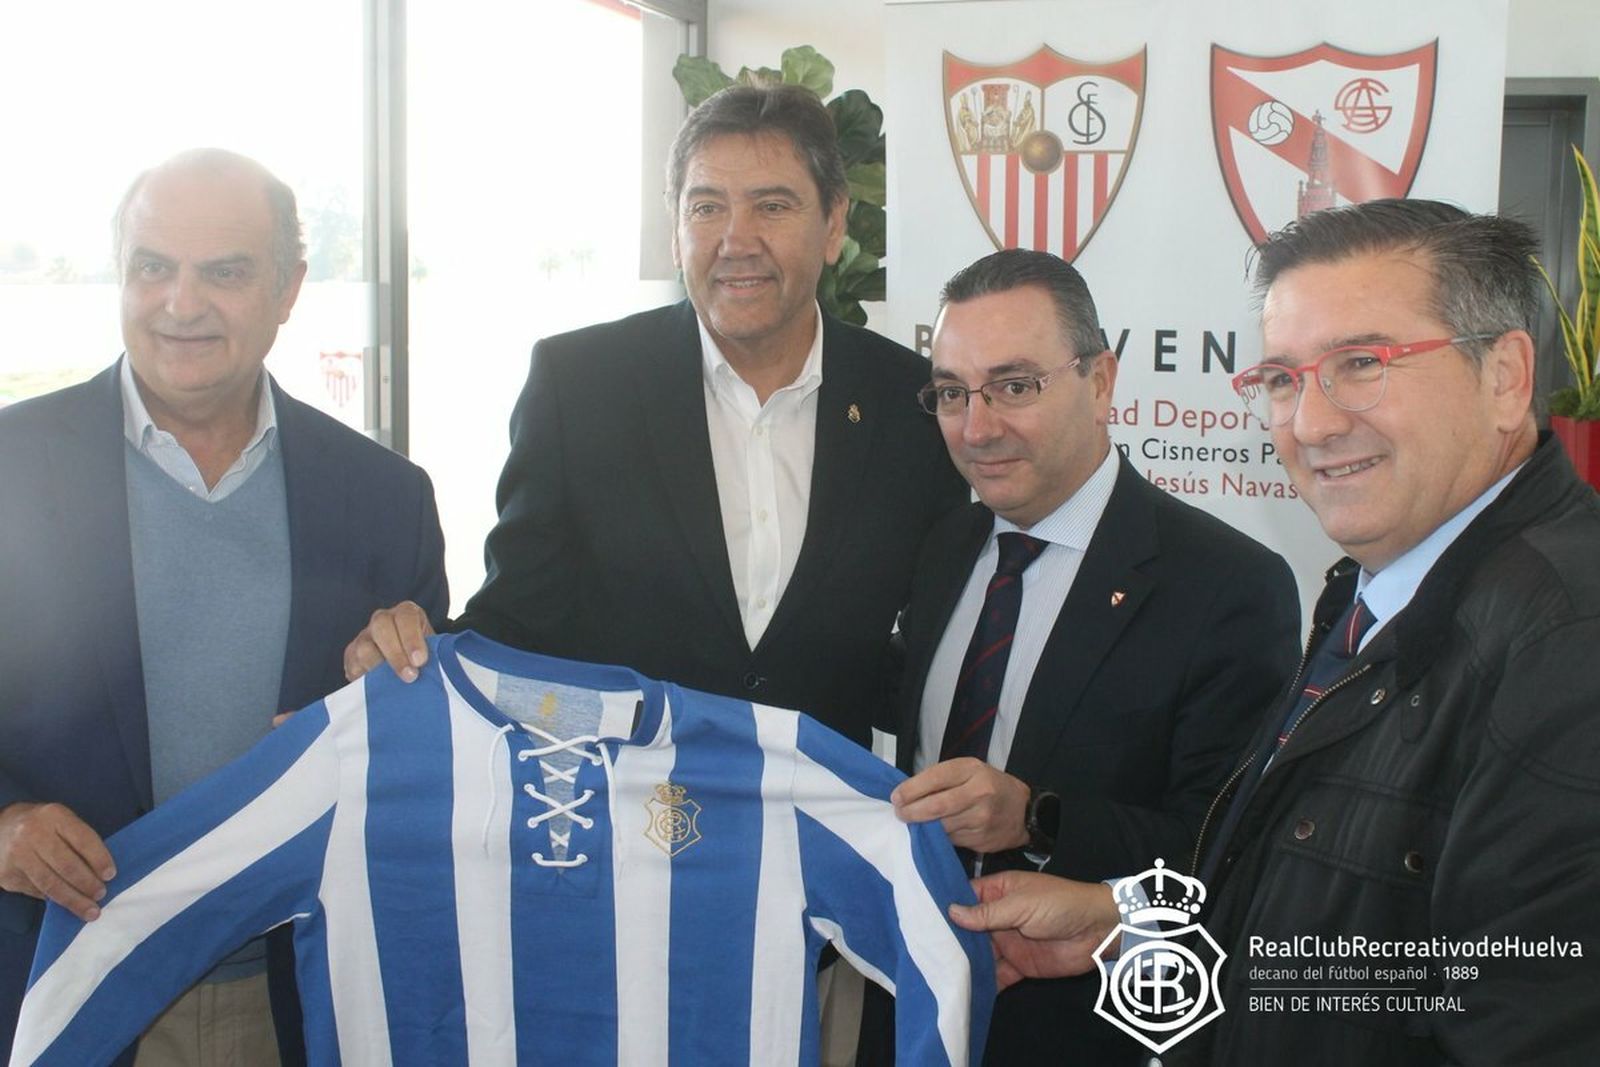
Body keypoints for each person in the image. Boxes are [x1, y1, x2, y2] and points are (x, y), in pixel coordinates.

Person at [949, 200, 1600, 1066]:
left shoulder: (1567, 641)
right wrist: (1127, 927)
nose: (1313, 422)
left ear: (1507, 376)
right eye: (1285, 378)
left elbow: (1520, 998)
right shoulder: (1370, 593)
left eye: (1362, 363)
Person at [344, 83, 966, 748]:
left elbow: (936, 649)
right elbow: (519, 619)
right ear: (675, 230)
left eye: (773, 206)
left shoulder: (912, 403)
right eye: (706, 207)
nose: (736, 240)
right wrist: (412, 651)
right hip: (628, 821)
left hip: (819, 821)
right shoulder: (580, 387)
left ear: (834, 223)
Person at [0, 149, 448, 1066]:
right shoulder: (9, 468)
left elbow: (426, 763)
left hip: (295, 1000)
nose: (182, 303)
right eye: (153, 265)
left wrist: (401, 693)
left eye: (226, 272)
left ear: (289, 286)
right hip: (55, 984)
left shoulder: (385, 496)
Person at [871, 249, 1298, 1065]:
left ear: (1101, 380)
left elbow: (1227, 848)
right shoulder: (945, 546)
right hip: (912, 999)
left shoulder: (1227, 585)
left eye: (1015, 385)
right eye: (953, 392)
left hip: (1087, 1029)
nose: (977, 425)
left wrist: (1035, 816)